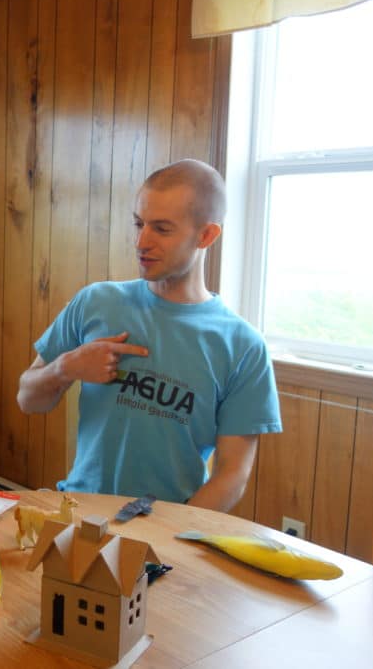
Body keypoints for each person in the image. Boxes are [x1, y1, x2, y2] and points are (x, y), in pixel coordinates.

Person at [16, 159, 281, 511]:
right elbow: (28, 399)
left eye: (162, 228)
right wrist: (67, 368)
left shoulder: (243, 346)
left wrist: (170, 539)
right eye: (139, 224)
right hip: (78, 513)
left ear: (206, 235)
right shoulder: (96, 302)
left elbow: (233, 473)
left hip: (167, 535)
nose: (142, 241)